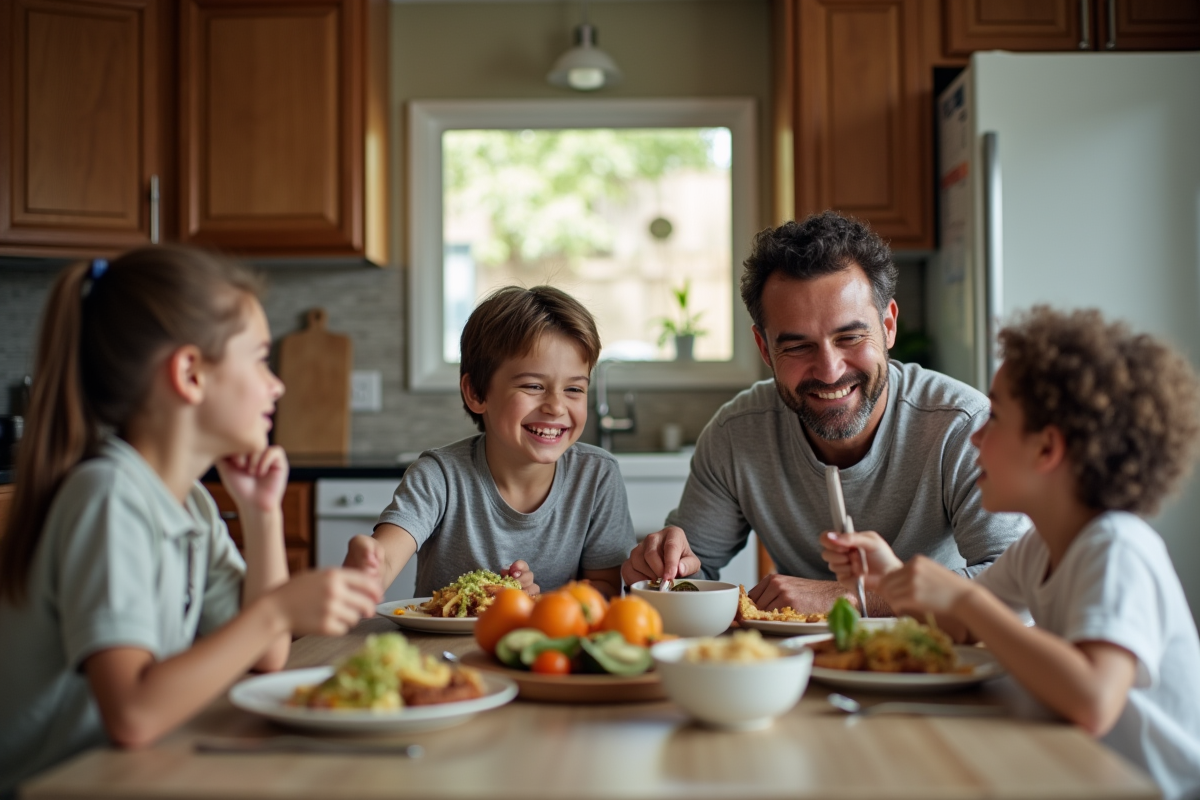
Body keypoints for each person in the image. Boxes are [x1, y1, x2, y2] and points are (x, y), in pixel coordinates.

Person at [0, 247, 381, 795]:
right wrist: (279, 607)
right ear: (189, 374)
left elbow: (267, 657)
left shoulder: (191, 506)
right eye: (259, 359)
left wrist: (262, 512)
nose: (277, 385)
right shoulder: (108, 496)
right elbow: (132, 713)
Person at [822, 306, 1200, 800]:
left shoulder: (1116, 548)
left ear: (1047, 449)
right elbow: (958, 628)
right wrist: (891, 576)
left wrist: (964, 600)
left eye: (995, 417)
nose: (976, 435)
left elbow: (1092, 700)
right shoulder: (1040, 547)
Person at [622, 211, 1027, 614]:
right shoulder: (736, 434)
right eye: (798, 347)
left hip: (932, 663)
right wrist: (665, 572)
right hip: (798, 670)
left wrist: (852, 598)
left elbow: (1018, 588)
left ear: (887, 326)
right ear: (765, 349)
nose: (830, 371)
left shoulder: (963, 426)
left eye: (850, 336)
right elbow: (692, 577)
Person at [344, 286, 635, 599]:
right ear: (476, 393)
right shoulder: (439, 476)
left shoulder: (597, 476)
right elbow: (385, 557)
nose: (556, 406)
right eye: (534, 386)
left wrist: (538, 604)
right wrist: (368, 568)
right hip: (441, 648)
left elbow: (607, 588)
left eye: (574, 390)